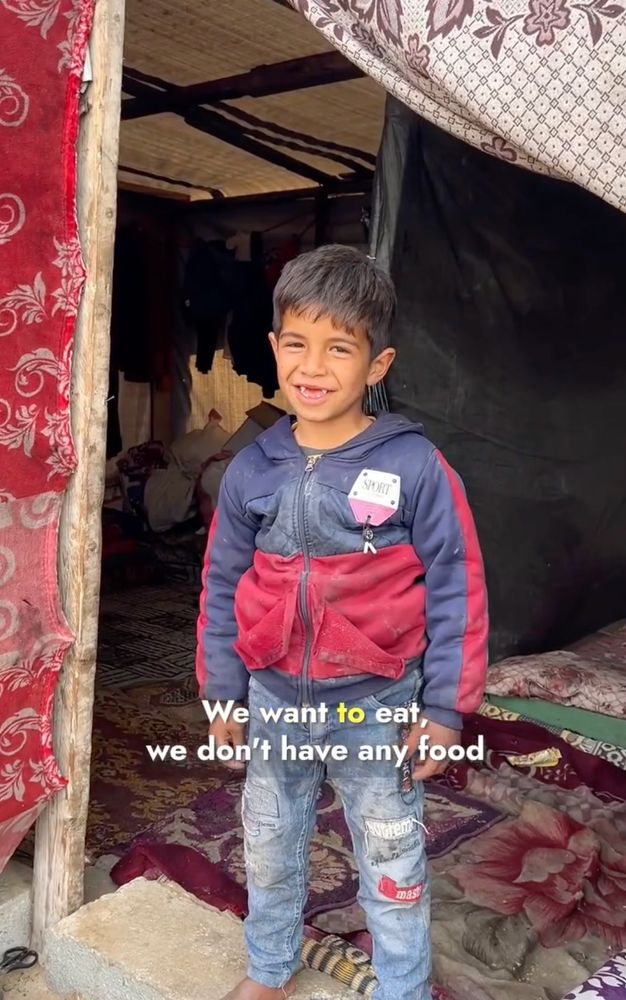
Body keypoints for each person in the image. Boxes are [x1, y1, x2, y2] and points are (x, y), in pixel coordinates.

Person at [196, 244, 489, 1000]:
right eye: (296, 342)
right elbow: (223, 585)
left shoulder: (417, 467)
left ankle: (402, 986)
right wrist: (222, 695)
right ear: (273, 348)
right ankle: (267, 968)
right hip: (272, 701)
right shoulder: (250, 470)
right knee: (267, 842)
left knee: (390, 855)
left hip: (376, 705)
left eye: (339, 347)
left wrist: (446, 710)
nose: (313, 365)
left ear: (377, 363)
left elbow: (457, 584)